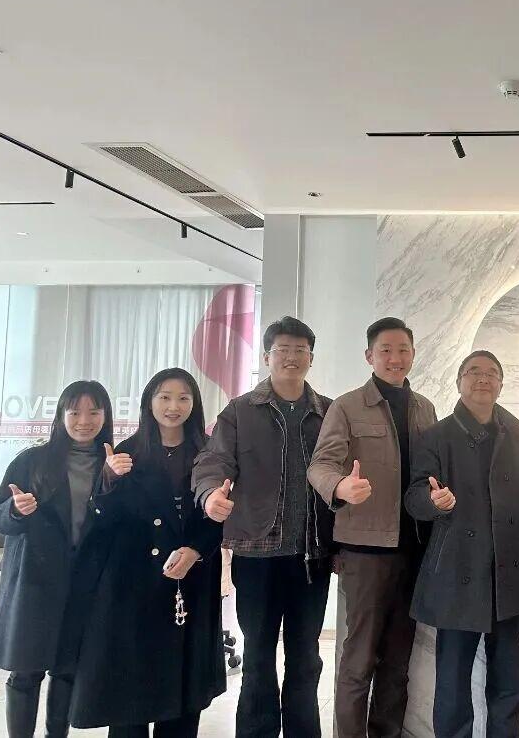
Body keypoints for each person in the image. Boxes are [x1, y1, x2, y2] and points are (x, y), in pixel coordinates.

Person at [192, 316, 334, 738]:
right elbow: (213, 461)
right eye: (282, 350)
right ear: (267, 356)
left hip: (312, 555)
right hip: (256, 554)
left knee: (306, 658)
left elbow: (340, 472)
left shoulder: (328, 412)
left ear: (311, 357)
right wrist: (210, 494)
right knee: (257, 656)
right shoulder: (240, 411)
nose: (291, 357)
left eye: (300, 350)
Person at [71, 368, 226, 737]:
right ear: (149, 402)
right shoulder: (125, 452)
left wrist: (196, 550)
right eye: (164, 397)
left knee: (183, 691)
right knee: (130, 692)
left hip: (190, 581)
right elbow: (101, 523)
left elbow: (219, 515)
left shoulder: (210, 454)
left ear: (195, 404)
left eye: (184, 398)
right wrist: (108, 481)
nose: (174, 406)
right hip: (132, 585)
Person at [404, 350, 519, 738]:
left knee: (508, 677)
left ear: (501, 384)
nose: (483, 379)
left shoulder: (515, 433)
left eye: (491, 373)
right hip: (457, 570)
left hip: (508, 571)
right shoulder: (436, 436)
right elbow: (414, 495)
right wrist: (432, 502)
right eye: (473, 372)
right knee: (452, 678)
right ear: (459, 383)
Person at [308, 317, 437, 738]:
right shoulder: (347, 406)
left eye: (403, 350)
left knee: (398, 662)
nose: (395, 358)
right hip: (365, 552)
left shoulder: (425, 408)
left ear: (413, 355)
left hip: (413, 550)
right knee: (359, 659)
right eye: (385, 350)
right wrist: (340, 486)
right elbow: (320, 465)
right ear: (369, 356)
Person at [0, 380, 114, 738]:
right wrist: (15, 511)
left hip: (84, 582)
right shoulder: (32, 460)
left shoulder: (113, 463)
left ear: (106, 416)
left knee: (67, 670)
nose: (84, 421)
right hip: (35, 582)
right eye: (74, 412)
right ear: (61, 415)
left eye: (94, 412)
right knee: (26, 671)